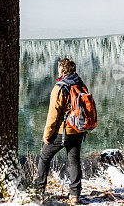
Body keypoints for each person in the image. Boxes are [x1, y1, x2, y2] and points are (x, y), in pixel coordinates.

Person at [35, 58, 86, 205]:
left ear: (61, 70)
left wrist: (47, 135)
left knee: (44, 157)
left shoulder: (59, 87)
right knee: (74, 160)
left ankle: (39, 191)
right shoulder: (80, 84)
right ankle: (75, 195)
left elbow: (53, 115)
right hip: (78, 130)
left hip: (62, 132)